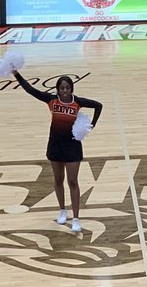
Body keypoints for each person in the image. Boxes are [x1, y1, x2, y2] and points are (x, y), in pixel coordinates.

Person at [11, 65, 103, 233]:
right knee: (58, 179)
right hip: (55, 145)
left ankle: (76, 218)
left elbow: (99, 105)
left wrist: (92, 125)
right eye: (62, 88)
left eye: (67, 88)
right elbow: (31, 90)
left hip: (73, 146)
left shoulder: (78, 102)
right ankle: (62, 210)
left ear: (71, 89)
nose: (65, 91)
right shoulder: (51, 101)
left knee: (73, 181)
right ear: (58, 90)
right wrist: (17, 74)